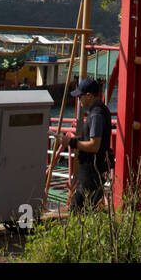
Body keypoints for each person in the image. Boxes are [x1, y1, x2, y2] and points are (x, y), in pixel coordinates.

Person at [57, 77, 111, 212]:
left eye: (80, 96)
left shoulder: (96, 115)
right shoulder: (102, 110)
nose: (78, 99)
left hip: (91, 170)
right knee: (88, 207)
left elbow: (94, 145)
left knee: (78, 208)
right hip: (98, 168)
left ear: (89, 95)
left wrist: (71, 142)